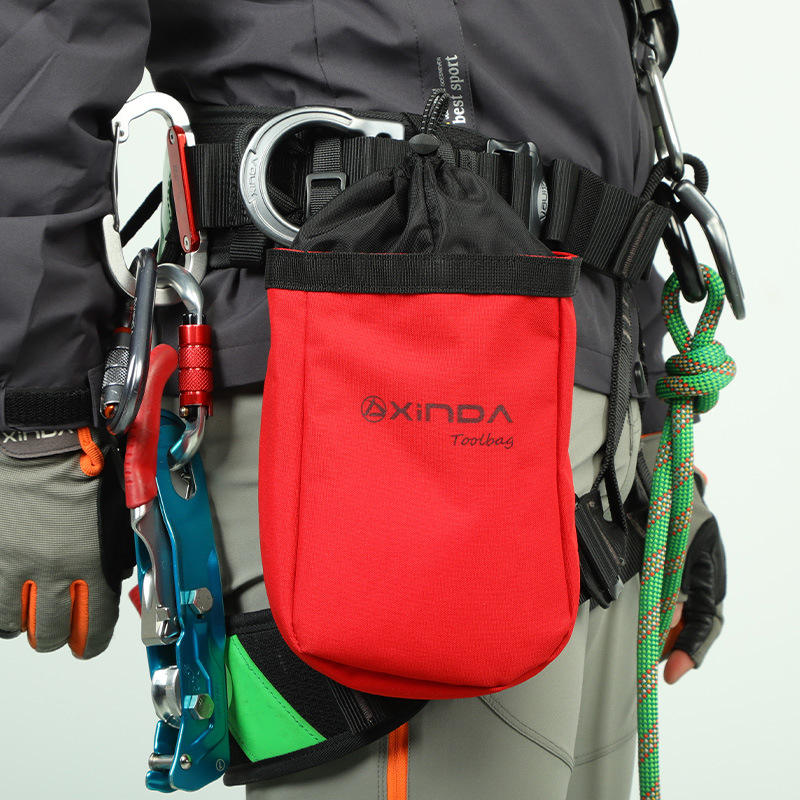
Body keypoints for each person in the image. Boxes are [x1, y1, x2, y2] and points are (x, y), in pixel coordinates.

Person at [0, 2, 726, 798]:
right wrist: (39, 409)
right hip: (362, 362)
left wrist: (652, 444)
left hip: (587, 422)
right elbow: (48, 27)